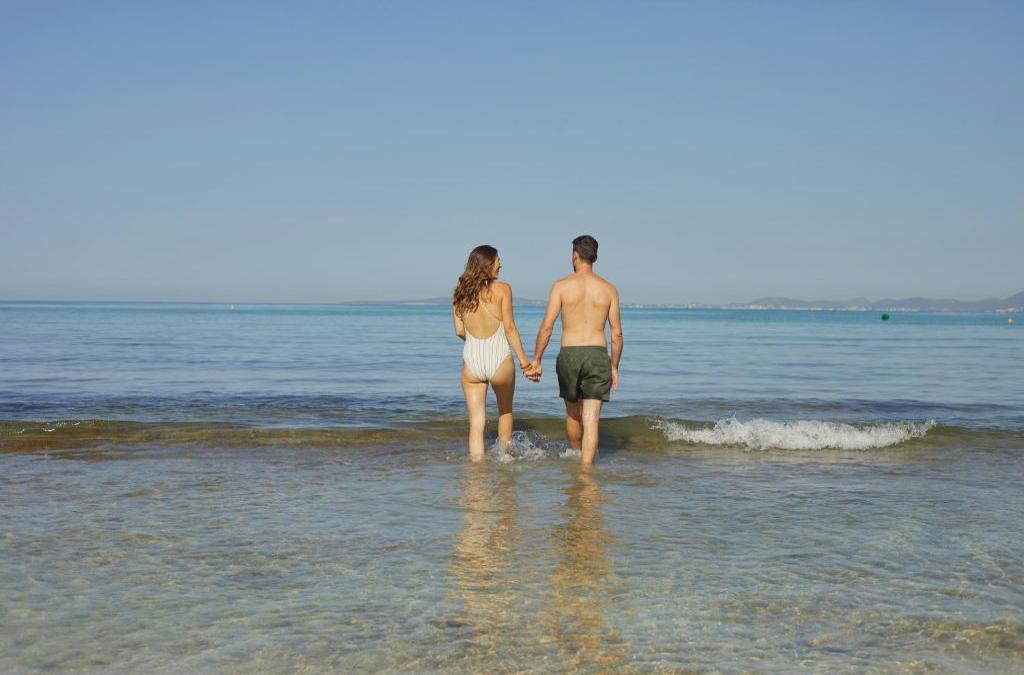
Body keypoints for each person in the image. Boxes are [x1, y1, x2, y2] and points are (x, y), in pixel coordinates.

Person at [527, 235, 622, 465]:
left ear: (575, 255)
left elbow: (547, 327)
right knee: (591, 419)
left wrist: (536, 359)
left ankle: (575, 457)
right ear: (595, 257)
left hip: (569, 354)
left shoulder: (561, 286)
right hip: (597, 354)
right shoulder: (609, 289)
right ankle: (586, 470)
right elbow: (617, 334)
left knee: (572, 413)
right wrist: (614, 367)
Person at [452, 245, 534, 460]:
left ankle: (476, 471)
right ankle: (503, 461)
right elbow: (510, 329)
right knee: (505, 411)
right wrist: (525, 362)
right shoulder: (503, 289)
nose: (501, 264)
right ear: (487, 264)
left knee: (476, 422)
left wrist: (477, 343)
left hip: (472, 360)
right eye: (498, 260)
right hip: (499, 358)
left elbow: (459, 331)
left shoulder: (459, 293)